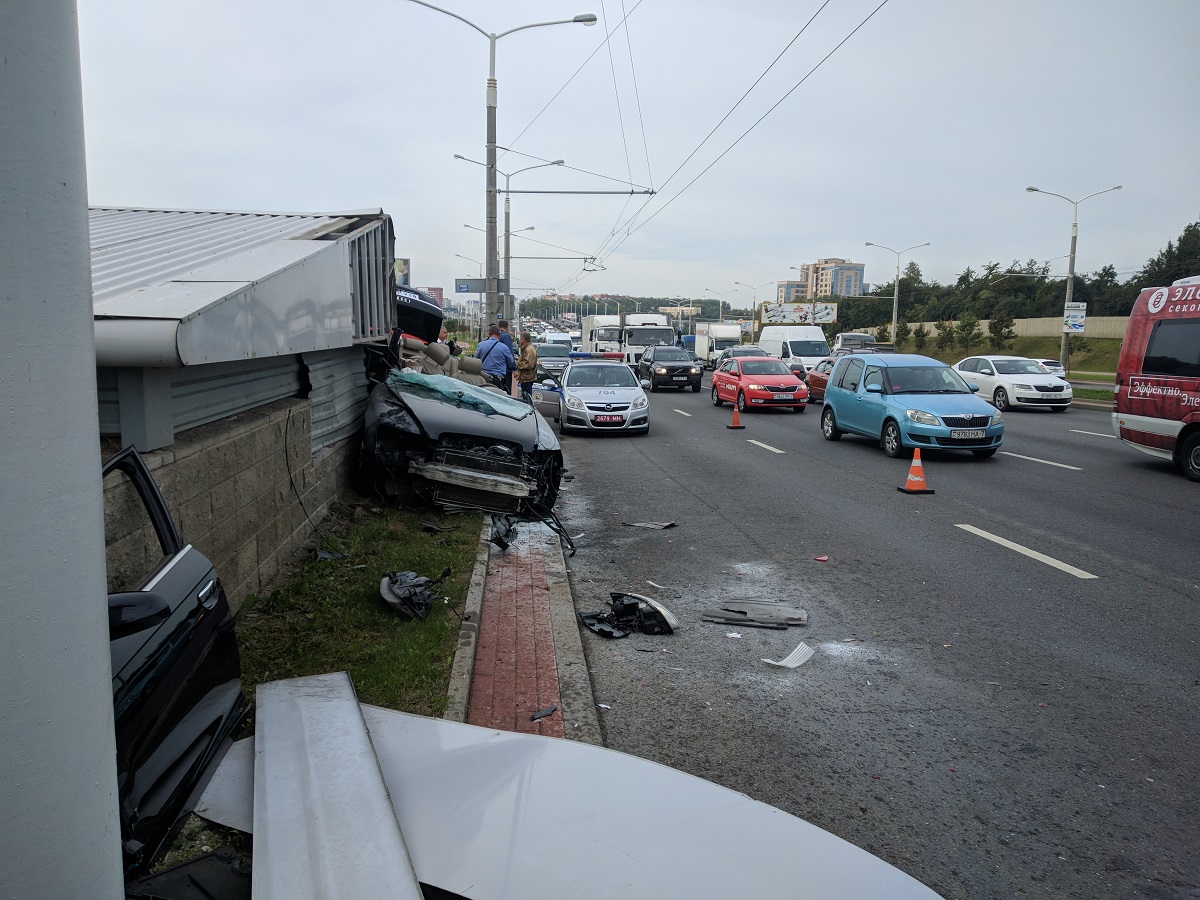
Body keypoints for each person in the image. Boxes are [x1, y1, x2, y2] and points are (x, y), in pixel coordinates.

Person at [475, 324, 515, 390]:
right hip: (498, 380)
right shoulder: (504, 348)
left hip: (483, 377)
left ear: (489, 334)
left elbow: (476, 360)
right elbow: (511, 361)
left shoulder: (480, 345)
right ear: (499, 335)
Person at [516, 331, 538, 400]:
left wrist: (517, 363)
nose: (519, 341)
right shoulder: (526, 349)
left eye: (520, 339)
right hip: (525, 378)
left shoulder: (529, 349)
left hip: (527, 379)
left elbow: (528, 364)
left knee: (527, 399)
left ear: (523, 339)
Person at [497, 319, 516, 392]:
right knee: (506, 391)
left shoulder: (495, 336)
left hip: (494, 368)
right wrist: (514, 367)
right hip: (505, 369)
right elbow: (509, 353)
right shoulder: (506, 337)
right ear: (506, 327)